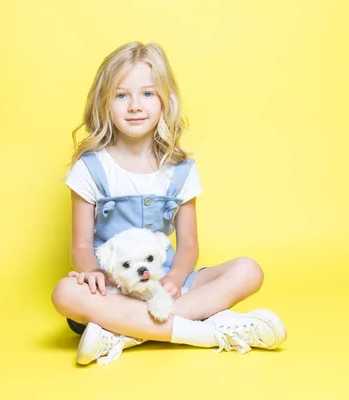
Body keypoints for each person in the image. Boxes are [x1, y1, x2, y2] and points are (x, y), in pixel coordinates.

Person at [51, 41, 287, 365]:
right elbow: (80, 246)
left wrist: (175, 279)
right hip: (115, 287)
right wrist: (91, 271)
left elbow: (189, 245)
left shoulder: (180, 169)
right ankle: (203, 332)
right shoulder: (90, 168)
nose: (135, 105)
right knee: (65, 293)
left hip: (164, 285)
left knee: (249, 270)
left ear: (165, 100)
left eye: (147, 94)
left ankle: (123, 331)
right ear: (103, 102)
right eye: (122, 95)